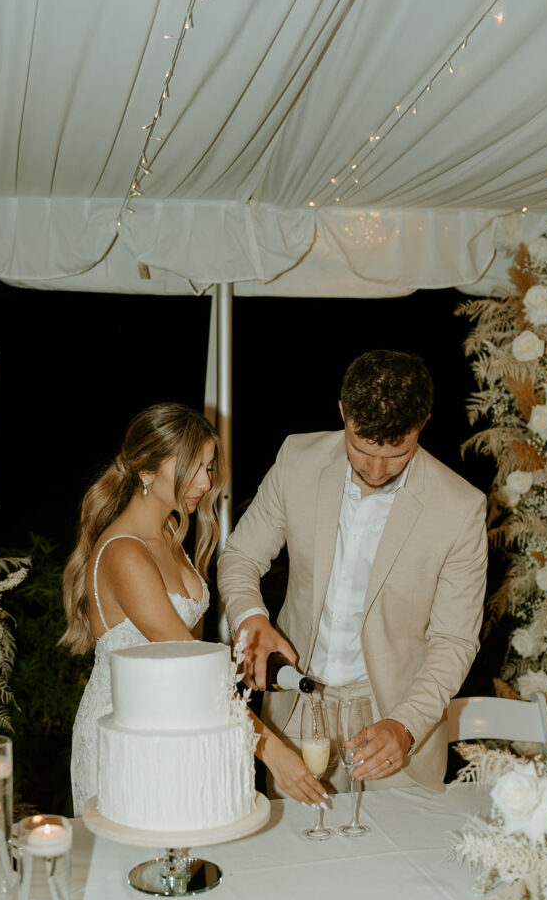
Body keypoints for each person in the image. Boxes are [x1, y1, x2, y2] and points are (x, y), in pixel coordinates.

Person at [217, 349, 488, 803]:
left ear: (423, 421)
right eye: (361, 449)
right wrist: (251, 618)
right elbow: (241, 555)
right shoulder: (296, 459)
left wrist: (406, 725)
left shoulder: (461, 508)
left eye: (397, 454)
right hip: (298, 713)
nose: (376, 470)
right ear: (343, 413)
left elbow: (454, 640)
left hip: (392, 721)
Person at [61, 402, 226, 816]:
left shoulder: (170, 529)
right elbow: (189, 660)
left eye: (209, 467)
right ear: (146, 471)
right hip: (124, 733)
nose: (205, 482)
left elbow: (194, 650)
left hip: (172, 723)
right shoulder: (124, 553)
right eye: (194, 467)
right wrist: (269, 749)